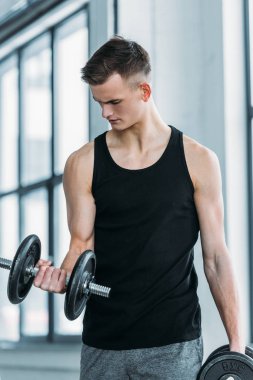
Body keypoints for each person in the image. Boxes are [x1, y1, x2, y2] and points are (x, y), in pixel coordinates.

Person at [34, 36, 244, 379]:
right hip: (104, 345)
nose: (105, 113)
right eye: (99, 103)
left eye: (114, 102)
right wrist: (61, 279)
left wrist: (236, 344)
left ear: (144, 91)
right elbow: (81, 245)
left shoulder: (198, 160)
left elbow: (216, 257)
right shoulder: (83, 163)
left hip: (173, 345)